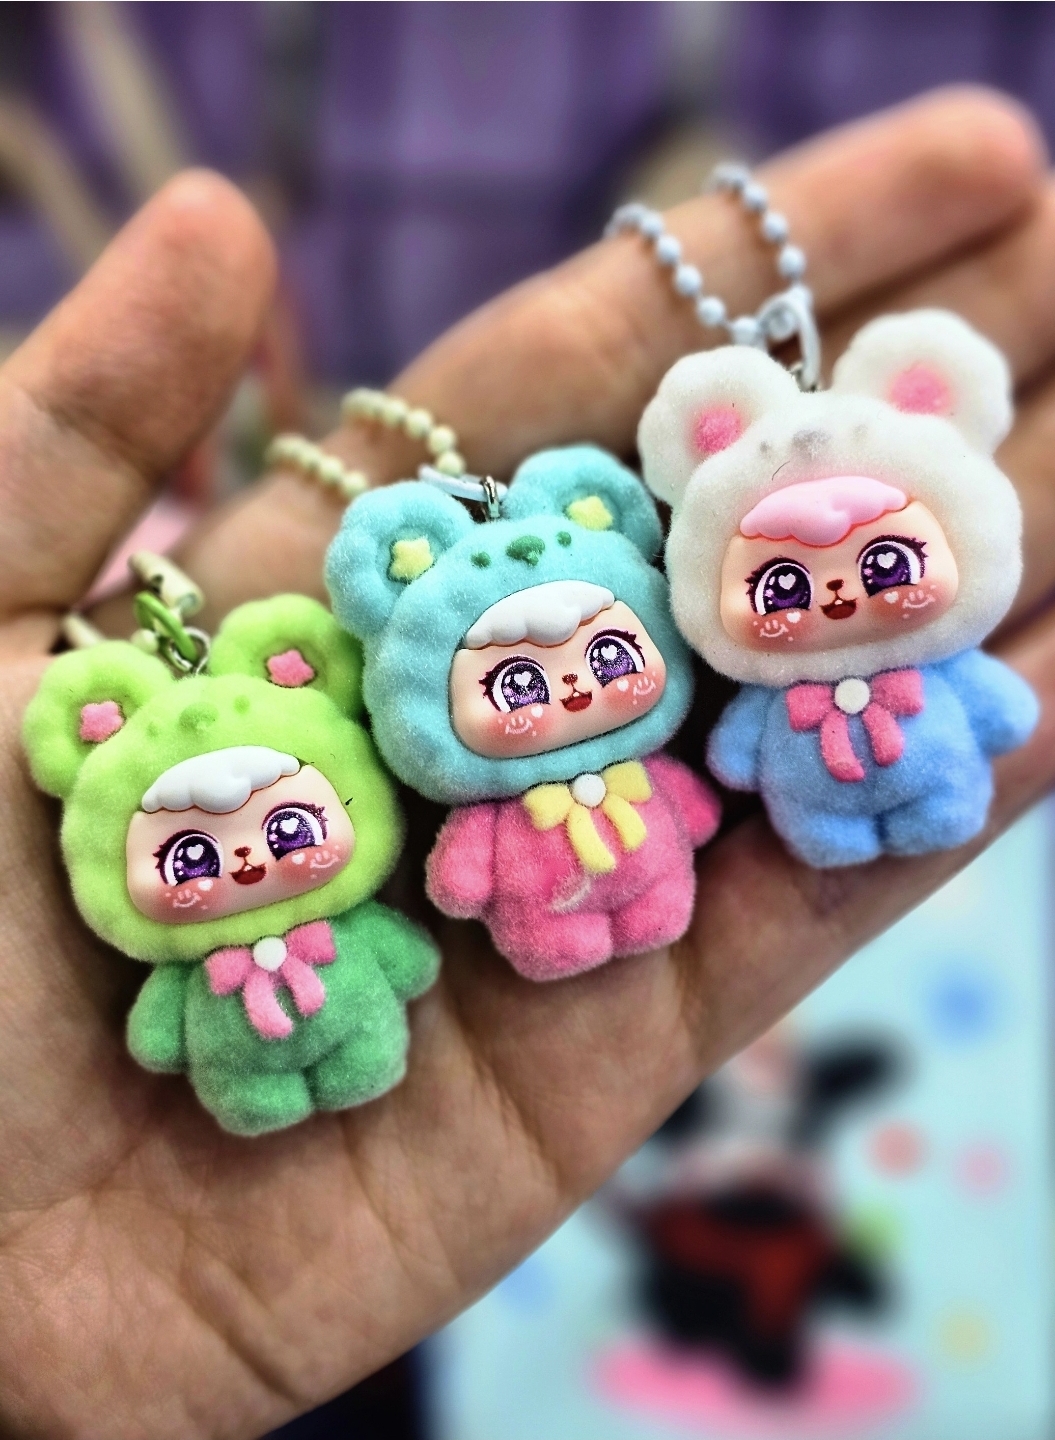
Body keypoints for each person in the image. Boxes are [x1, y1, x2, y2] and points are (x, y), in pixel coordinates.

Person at [1, 87, 1053, 1439]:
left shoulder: (757, 691)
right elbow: (429, 907)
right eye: (511, 683)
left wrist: (757, 759)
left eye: (886, 565)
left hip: (728, 848)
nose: (253, 863)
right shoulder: (381, 804)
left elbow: (737, 762)